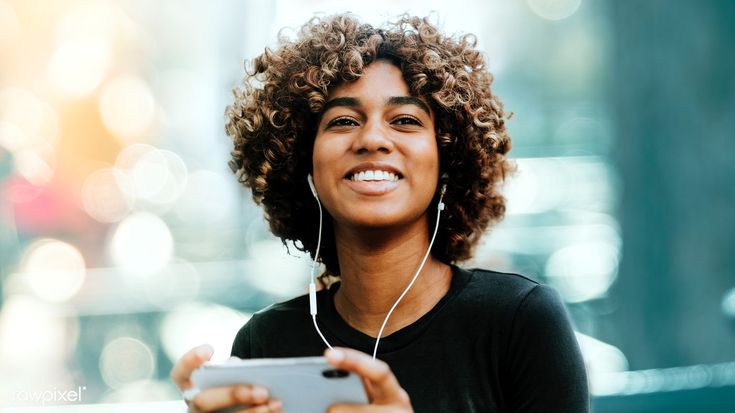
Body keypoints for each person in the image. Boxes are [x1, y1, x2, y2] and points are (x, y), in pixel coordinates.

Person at [171, 13, 589, 413]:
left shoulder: (519, 321)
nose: (372, 138)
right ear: (303, 161)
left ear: (448, 159)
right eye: (343, 121)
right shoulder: (265, 343)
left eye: (405, 119)